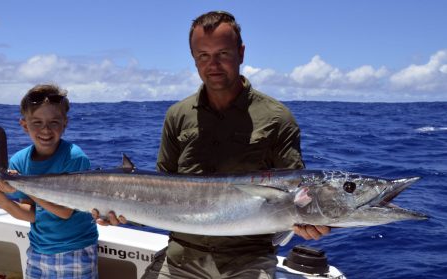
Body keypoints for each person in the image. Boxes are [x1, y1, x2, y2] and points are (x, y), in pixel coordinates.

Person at [140, 11, 331, 279]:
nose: (213, 64)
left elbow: (295, 194)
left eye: (223, 54)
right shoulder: (177, 115)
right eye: (203, 56)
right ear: (194, 59)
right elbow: (160, 190)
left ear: (241, 53)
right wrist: (118, 211)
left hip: (248, 259)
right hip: (183, 256)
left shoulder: (277, 118)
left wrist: (310, 223)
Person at [0, 84, 99, 278]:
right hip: (38, 250)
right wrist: (2, 201)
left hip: (75, 250)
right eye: (37, 122)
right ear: (24, 125)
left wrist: (22, 185)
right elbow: (31, 214)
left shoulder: (74, 157)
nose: (45, 130)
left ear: (65, 123)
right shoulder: (19, 160)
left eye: (54, 122)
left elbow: (65, 211)